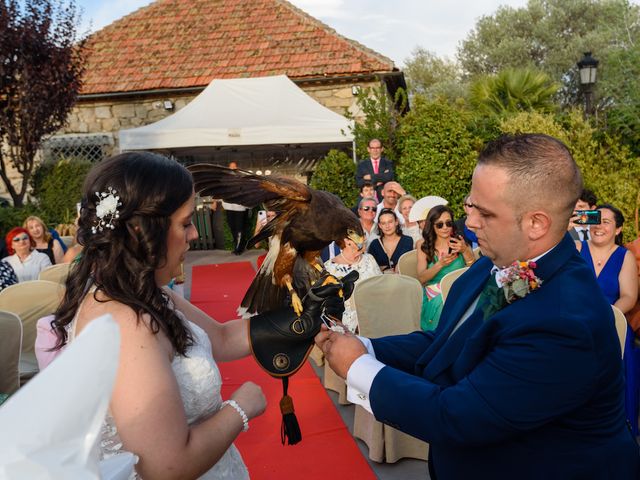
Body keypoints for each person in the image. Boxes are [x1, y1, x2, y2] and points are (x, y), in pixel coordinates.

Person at [317, 134, 640, 479]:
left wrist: (357, 368)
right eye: (471, 206)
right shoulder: (493, 265)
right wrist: (366, 346)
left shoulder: (565, 321)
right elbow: (446, 343)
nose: (468, 223)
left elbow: (456, 417)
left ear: (536, 223)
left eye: (485, 212)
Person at [51, 152, 268, 479]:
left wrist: (301, 322)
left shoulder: (145, 294)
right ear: (141, 230)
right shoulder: (126, 323)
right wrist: (241, 407)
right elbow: (165, 466)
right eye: (185, 222)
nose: (194, 234)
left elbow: (222, 337)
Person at [575, 204, 639, 435]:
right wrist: (569, 223)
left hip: (613, 326)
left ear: (619, 229)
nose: (598, 226)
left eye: (606, 221)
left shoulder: (625, 257)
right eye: (595, 219)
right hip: (576, 325)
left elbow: (629, 297)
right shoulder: (575, 247)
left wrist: (605, 316)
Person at [417, 205, 475, 331]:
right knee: (444, 303)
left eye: (448, 223)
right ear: (432, 225)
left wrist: (465, 250)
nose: (445, 228)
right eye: (440, 225)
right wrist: (440, 264)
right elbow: (421, 278)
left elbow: (473, 269)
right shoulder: (423, 245)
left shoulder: (459, 241)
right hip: (435, 292)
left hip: (459, 288)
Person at [324, 236, 382, 333]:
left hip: (377, 311)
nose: (362, 242)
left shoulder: (369, 258)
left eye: (363, 237)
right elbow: (330, 306)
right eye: (358, 239)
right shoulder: (329, 268)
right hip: (349, 321)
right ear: (346, 241)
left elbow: (381, 286)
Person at [367, 208, 413, 273]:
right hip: (382, 281)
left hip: (403, 280)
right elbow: (370, 267)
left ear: (396, 222)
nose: (387, 226)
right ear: (380, 225)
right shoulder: (375, 244)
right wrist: (383, 270)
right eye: (383, 223)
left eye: (390, 222)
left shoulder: (408, 241)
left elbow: (410, 264)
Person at [221, 161, 249, 255]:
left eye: (234, 167)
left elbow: (246, 191)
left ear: (237, 168)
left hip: (240, 207)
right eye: (231, 167)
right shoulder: (225, 179)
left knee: (239, 228)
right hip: (229, 206)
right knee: (232, 226)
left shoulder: (242, 178)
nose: (232, 169)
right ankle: (238, 244)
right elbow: (221, 191)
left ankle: (239, 248)